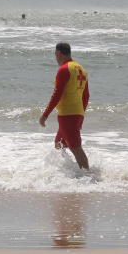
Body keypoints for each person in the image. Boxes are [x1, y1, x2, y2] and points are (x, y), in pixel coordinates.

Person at [39, 42, 89, 170]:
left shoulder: (64, 69)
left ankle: (88, 176)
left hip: (68, 114)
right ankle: (70, 171)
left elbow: (57, 94)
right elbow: (86, 96)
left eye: (55, 55)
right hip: (76, 113)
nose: (56, 58)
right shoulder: (81, 70)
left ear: (59, 53)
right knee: (59, 144)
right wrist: (81, 116)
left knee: (76, 147)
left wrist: (45, 115)